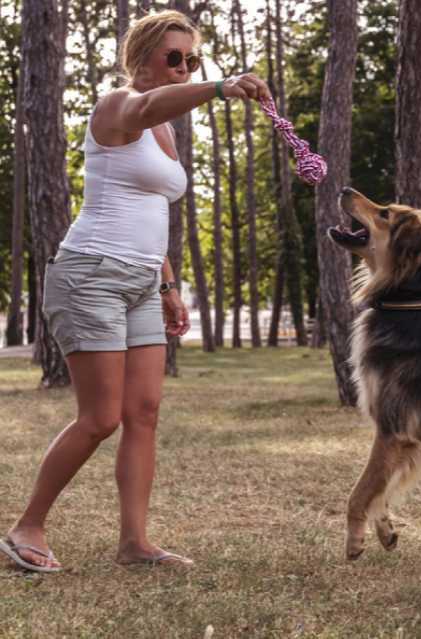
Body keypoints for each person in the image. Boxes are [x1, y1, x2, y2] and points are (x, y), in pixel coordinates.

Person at [1, 10, 270, 571]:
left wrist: (169, 283)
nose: (184, 67)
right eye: (174, 57)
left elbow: (149, 210)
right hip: (91, 272)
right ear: (140, 60)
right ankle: (25, 527)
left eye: (192, 59)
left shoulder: (165, 129)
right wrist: (219, 86)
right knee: (100, 417)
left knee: (143, 411)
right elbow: (146, 106)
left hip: (144, 279)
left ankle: (134, 544)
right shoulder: (118, 106)